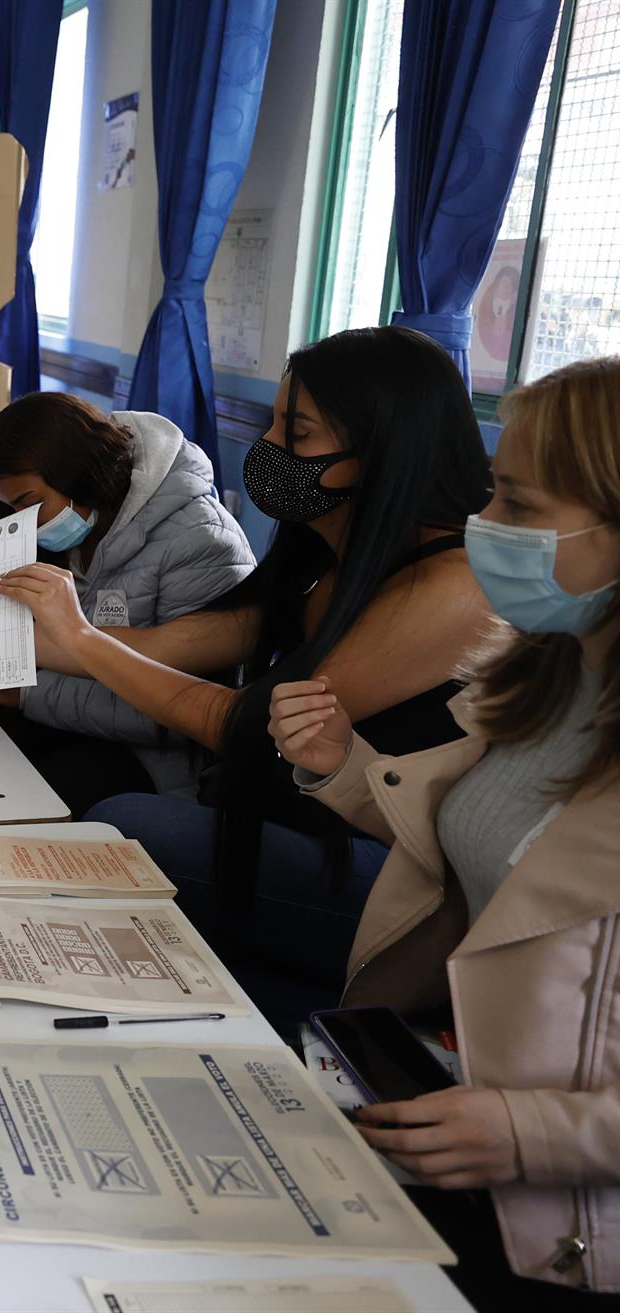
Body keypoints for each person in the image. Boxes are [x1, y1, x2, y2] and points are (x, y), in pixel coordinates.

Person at [0, 327, 494, 1030]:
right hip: (286, 821)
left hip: (391, 877)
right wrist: (15, 644)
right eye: (271, 421)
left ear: (384, 447)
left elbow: (251, 729)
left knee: (119, 825)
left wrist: (75, 637)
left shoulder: (450, 583)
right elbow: (176, 645)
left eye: (298, 432)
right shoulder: (323, 553)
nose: (268, 446)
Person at [271, 356, 620, 1306]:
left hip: (563, 1213)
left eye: (517, 503)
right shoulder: (548, 669)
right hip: (446, 1086)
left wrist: (530, 1131)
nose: (486, 528)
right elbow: (479, 841)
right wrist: (342, 760)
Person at [0, 392, 257, 811]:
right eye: (10, 508)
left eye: (30, 504)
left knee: (33, 796)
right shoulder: (73, 529)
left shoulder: (202, 542)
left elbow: (185, 712)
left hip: (158, 760)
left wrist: (28, 695)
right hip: (71, 720)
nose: (25, 524)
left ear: (79, 473)